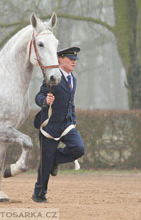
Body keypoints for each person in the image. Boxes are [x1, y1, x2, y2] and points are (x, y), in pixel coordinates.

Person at [32, 46, 85, 203]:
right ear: (60, 60)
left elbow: (71, 103)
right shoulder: (53, 78)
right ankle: (39, 195)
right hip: (49, 126)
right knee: (45, 165)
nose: (74, 62)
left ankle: (54, 160)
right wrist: (45, 101)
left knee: (78, 148)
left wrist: (73, 120)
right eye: (70, 59)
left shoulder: (73, 79)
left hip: (66, 125)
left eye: (75, 60)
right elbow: (39, 96)